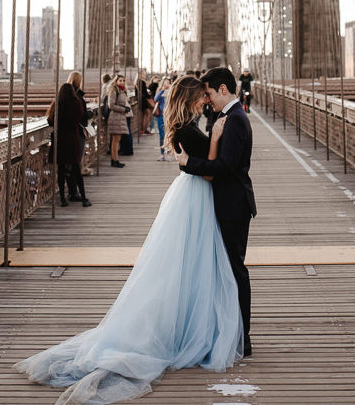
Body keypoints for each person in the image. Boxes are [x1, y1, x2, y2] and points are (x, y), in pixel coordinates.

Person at [14, 75, 242, 404]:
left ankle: (183, 319)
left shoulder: (183, 125)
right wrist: (218, 136)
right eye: (202, 96)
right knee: (192, 261)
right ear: (192, 96)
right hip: (196, 196)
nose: (206, 100)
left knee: (184, 263)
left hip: (187, 196)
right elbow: (207, 169)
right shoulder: (191, 130)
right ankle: (185, 327)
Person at [175, 67, 257, 357]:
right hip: (226, 203)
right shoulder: (228, 117)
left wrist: (189, 164)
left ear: (223, 90)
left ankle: (242, 338)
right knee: (224, 270)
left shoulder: (234, 120)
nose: (207, 100)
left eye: (209, 93)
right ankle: (228, 331)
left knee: (234, 271)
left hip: (232, 205)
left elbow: (225, 168)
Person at [46, 83, 92, 208]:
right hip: (72, 139)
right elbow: (80, 119)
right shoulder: (76, 103)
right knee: (76, 169)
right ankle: (83, 198)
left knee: (61, 171)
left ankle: (62, 199)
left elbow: (50, 120)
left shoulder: (57, 104)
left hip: (60, 139)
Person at [107, 74, 130, 168]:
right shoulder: (113, 90)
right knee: (115, 140)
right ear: (116, 81)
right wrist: (123, 109)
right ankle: (114, 160)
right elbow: (111, 105)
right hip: (115, 117)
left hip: (120, 117)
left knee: (117, 140)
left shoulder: (122, 90)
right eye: (120, 80)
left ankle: (115, 159)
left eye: (123, 80)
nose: (122, 82)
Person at [154, 77, 171, 161]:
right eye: (165, 83)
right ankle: (162, 154)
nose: (166, 84)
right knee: (161, 135)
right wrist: (162, 91)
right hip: (161, 115)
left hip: (170, 116)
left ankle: (168, 153)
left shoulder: (172, 92)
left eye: (168, 83)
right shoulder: (160, 92)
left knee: (169, 135)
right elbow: (155, 99)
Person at [134, 70, 153, 136]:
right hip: (143, 100)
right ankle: (144, 130)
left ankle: (142, 130)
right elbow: (144, 92)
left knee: (142, 115)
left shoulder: (137, 82)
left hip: (139, 100)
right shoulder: (141, 82)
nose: (145, 74)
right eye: (144, 73)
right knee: (148, 114)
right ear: (140, 74)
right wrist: (150, 95)